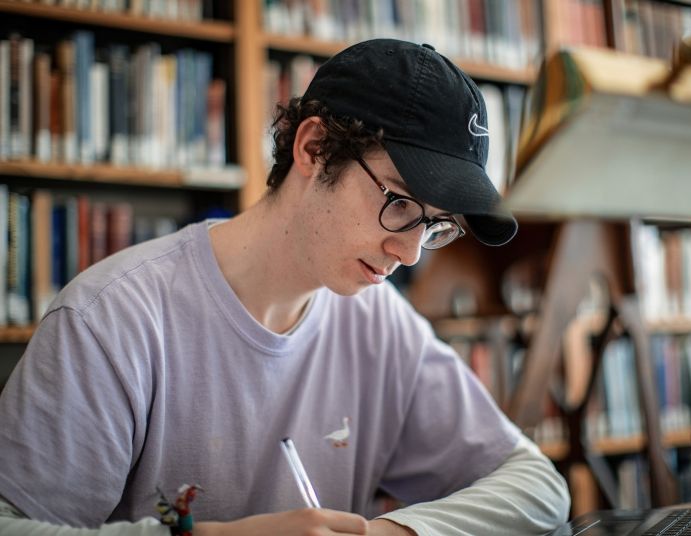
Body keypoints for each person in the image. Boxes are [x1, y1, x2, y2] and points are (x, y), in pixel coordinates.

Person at [0, 39, 570, 535]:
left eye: (436, 225)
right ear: (313, 148)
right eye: (399, 204)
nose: (411, 252)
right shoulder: (113, 320)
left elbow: (538, 488)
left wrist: (395, 533)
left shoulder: (379, 325)